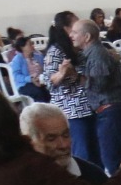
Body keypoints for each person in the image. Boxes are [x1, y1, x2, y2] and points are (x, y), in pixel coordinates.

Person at [69, 19, 121, 174]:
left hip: (111, 112)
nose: (71, 35)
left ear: (87, 36)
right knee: (117, 161)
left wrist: (75, 76)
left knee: (113, 162)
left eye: (75, 32)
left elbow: (98, 85)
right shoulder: (90, 53)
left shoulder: (97, 54)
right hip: (110, 112)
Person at [40, 12, 101, 161]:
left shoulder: (77, 48)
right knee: (83, 154)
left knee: (96, 152)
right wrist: (62, 73)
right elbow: (50, 81)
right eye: (74, 26)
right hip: (73, 110)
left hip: (89, 106)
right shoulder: (55, 51)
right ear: (66, 29)